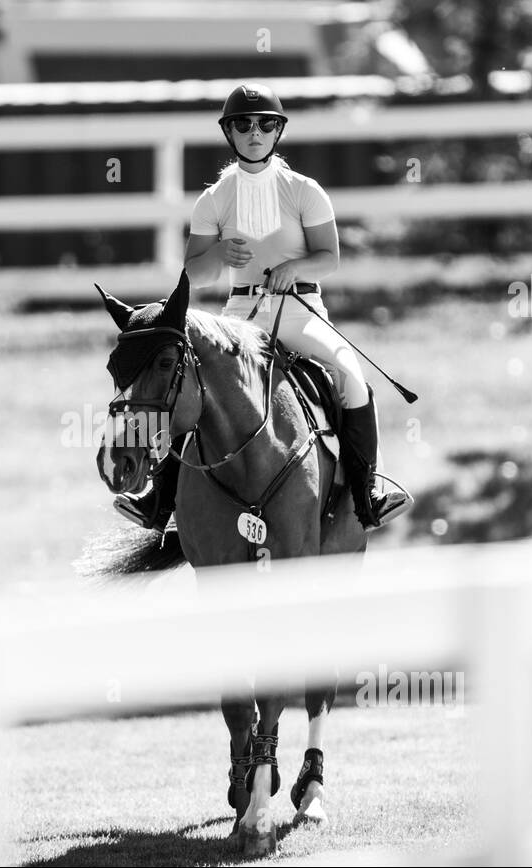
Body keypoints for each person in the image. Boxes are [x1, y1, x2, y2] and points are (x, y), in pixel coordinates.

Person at [115, 82, 413, 534]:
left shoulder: (305, 190)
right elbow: (193, 272)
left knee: (351, 375)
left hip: (298, 311)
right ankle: (160, 499)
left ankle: (366, 492)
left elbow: (329, 258)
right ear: (229, 132)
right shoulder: (214, 198)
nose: (254, 132)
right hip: (240, 315)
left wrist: (294, 268)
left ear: (278, 131)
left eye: (265, 124)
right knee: (193, 387)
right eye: (243, 124)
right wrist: (218, 255)